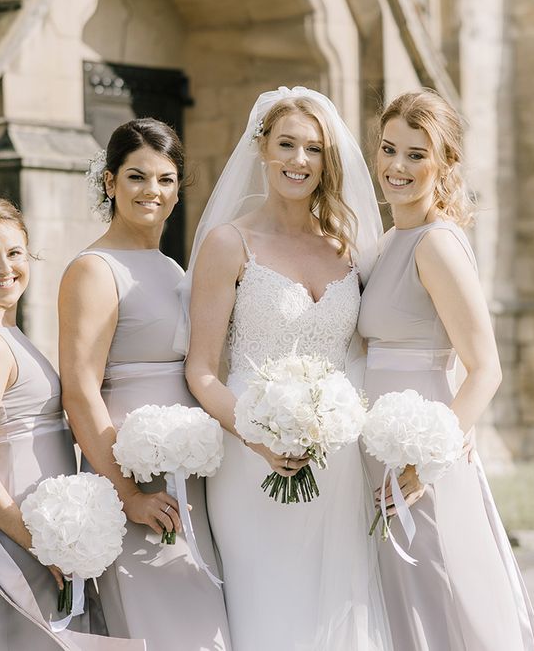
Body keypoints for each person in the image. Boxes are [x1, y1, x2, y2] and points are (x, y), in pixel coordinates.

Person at [183, 86, 391, 651]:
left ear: (329, 161)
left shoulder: (347, 246)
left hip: (340, 458)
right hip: (251, 455)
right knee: (268, 606)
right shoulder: (231, 243)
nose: (300, 160)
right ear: (262, 149)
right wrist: (257, 434)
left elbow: (369, 349)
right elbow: (201, 371)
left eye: (314, 149)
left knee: (340, 609)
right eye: (287, 145)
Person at [358, 89, 534, 650]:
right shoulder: (389, 240)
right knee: (408, 600)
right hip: (382, 450)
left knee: (444, 593)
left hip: (423, 457)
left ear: (444, 164)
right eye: (390, 149)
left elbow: (485, 366)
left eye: (417, 154)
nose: (397, 166)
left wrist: (432, 454)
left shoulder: (436, 243)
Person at [58, 118, 231, 650]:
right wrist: (128, 494)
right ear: (110, 183)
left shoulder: (172, 268)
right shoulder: (93, 269)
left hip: (191, 481)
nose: (151, 191)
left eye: (165, 179)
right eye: (136, 177)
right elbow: (80, 392)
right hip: (136, 482)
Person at [0, 194, 112, 650]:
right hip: (6, 536)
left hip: (28, 531)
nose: (5, 268)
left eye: (14, 253)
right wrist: (39, 542)